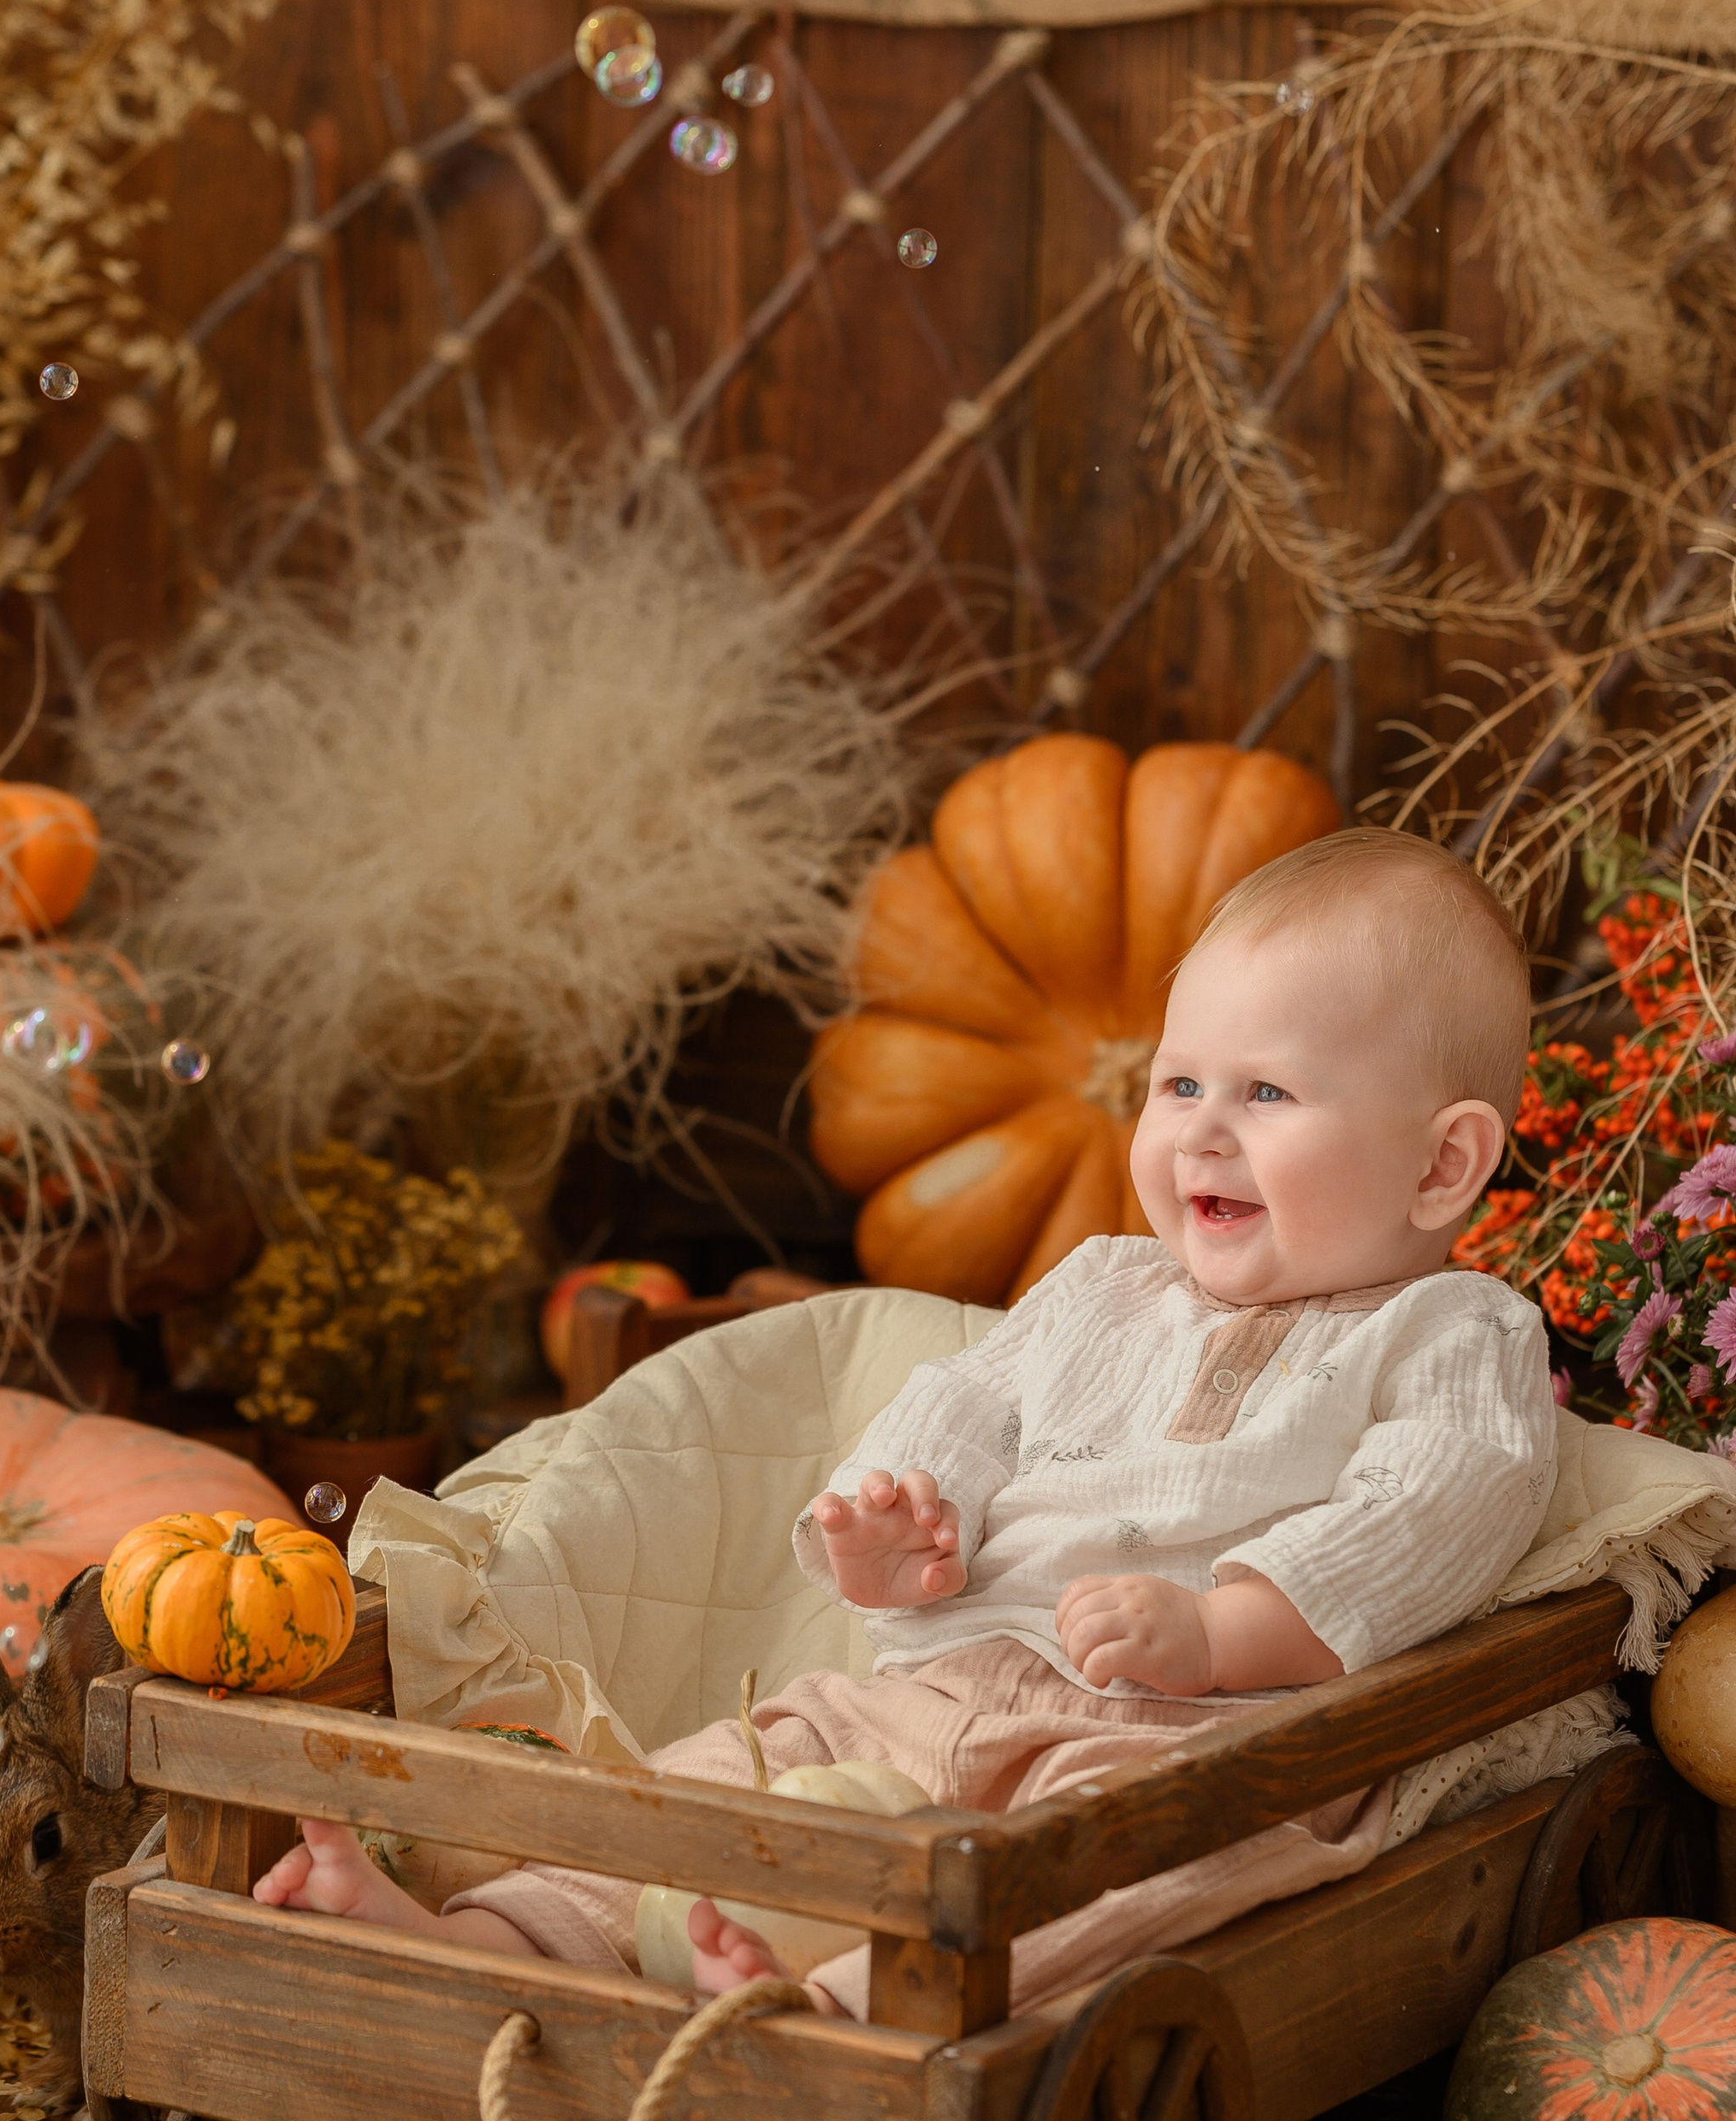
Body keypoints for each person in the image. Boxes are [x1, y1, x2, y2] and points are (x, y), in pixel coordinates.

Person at [253, 827, 1559, 2014]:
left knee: (1123, 1884)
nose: (1201, 1136)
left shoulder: (1457, 1333)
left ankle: (843, 2020)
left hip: (1188, 1745)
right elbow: (968, 1400)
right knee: (727, 1777)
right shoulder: (1105, 1284)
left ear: (1443, 1164)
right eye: (1176, 1088)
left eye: (1266, 1095)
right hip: (934, 1686)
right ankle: (485, 1941)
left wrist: (1222, 1631)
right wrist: (898, 1513)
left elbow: (1436, 1508)